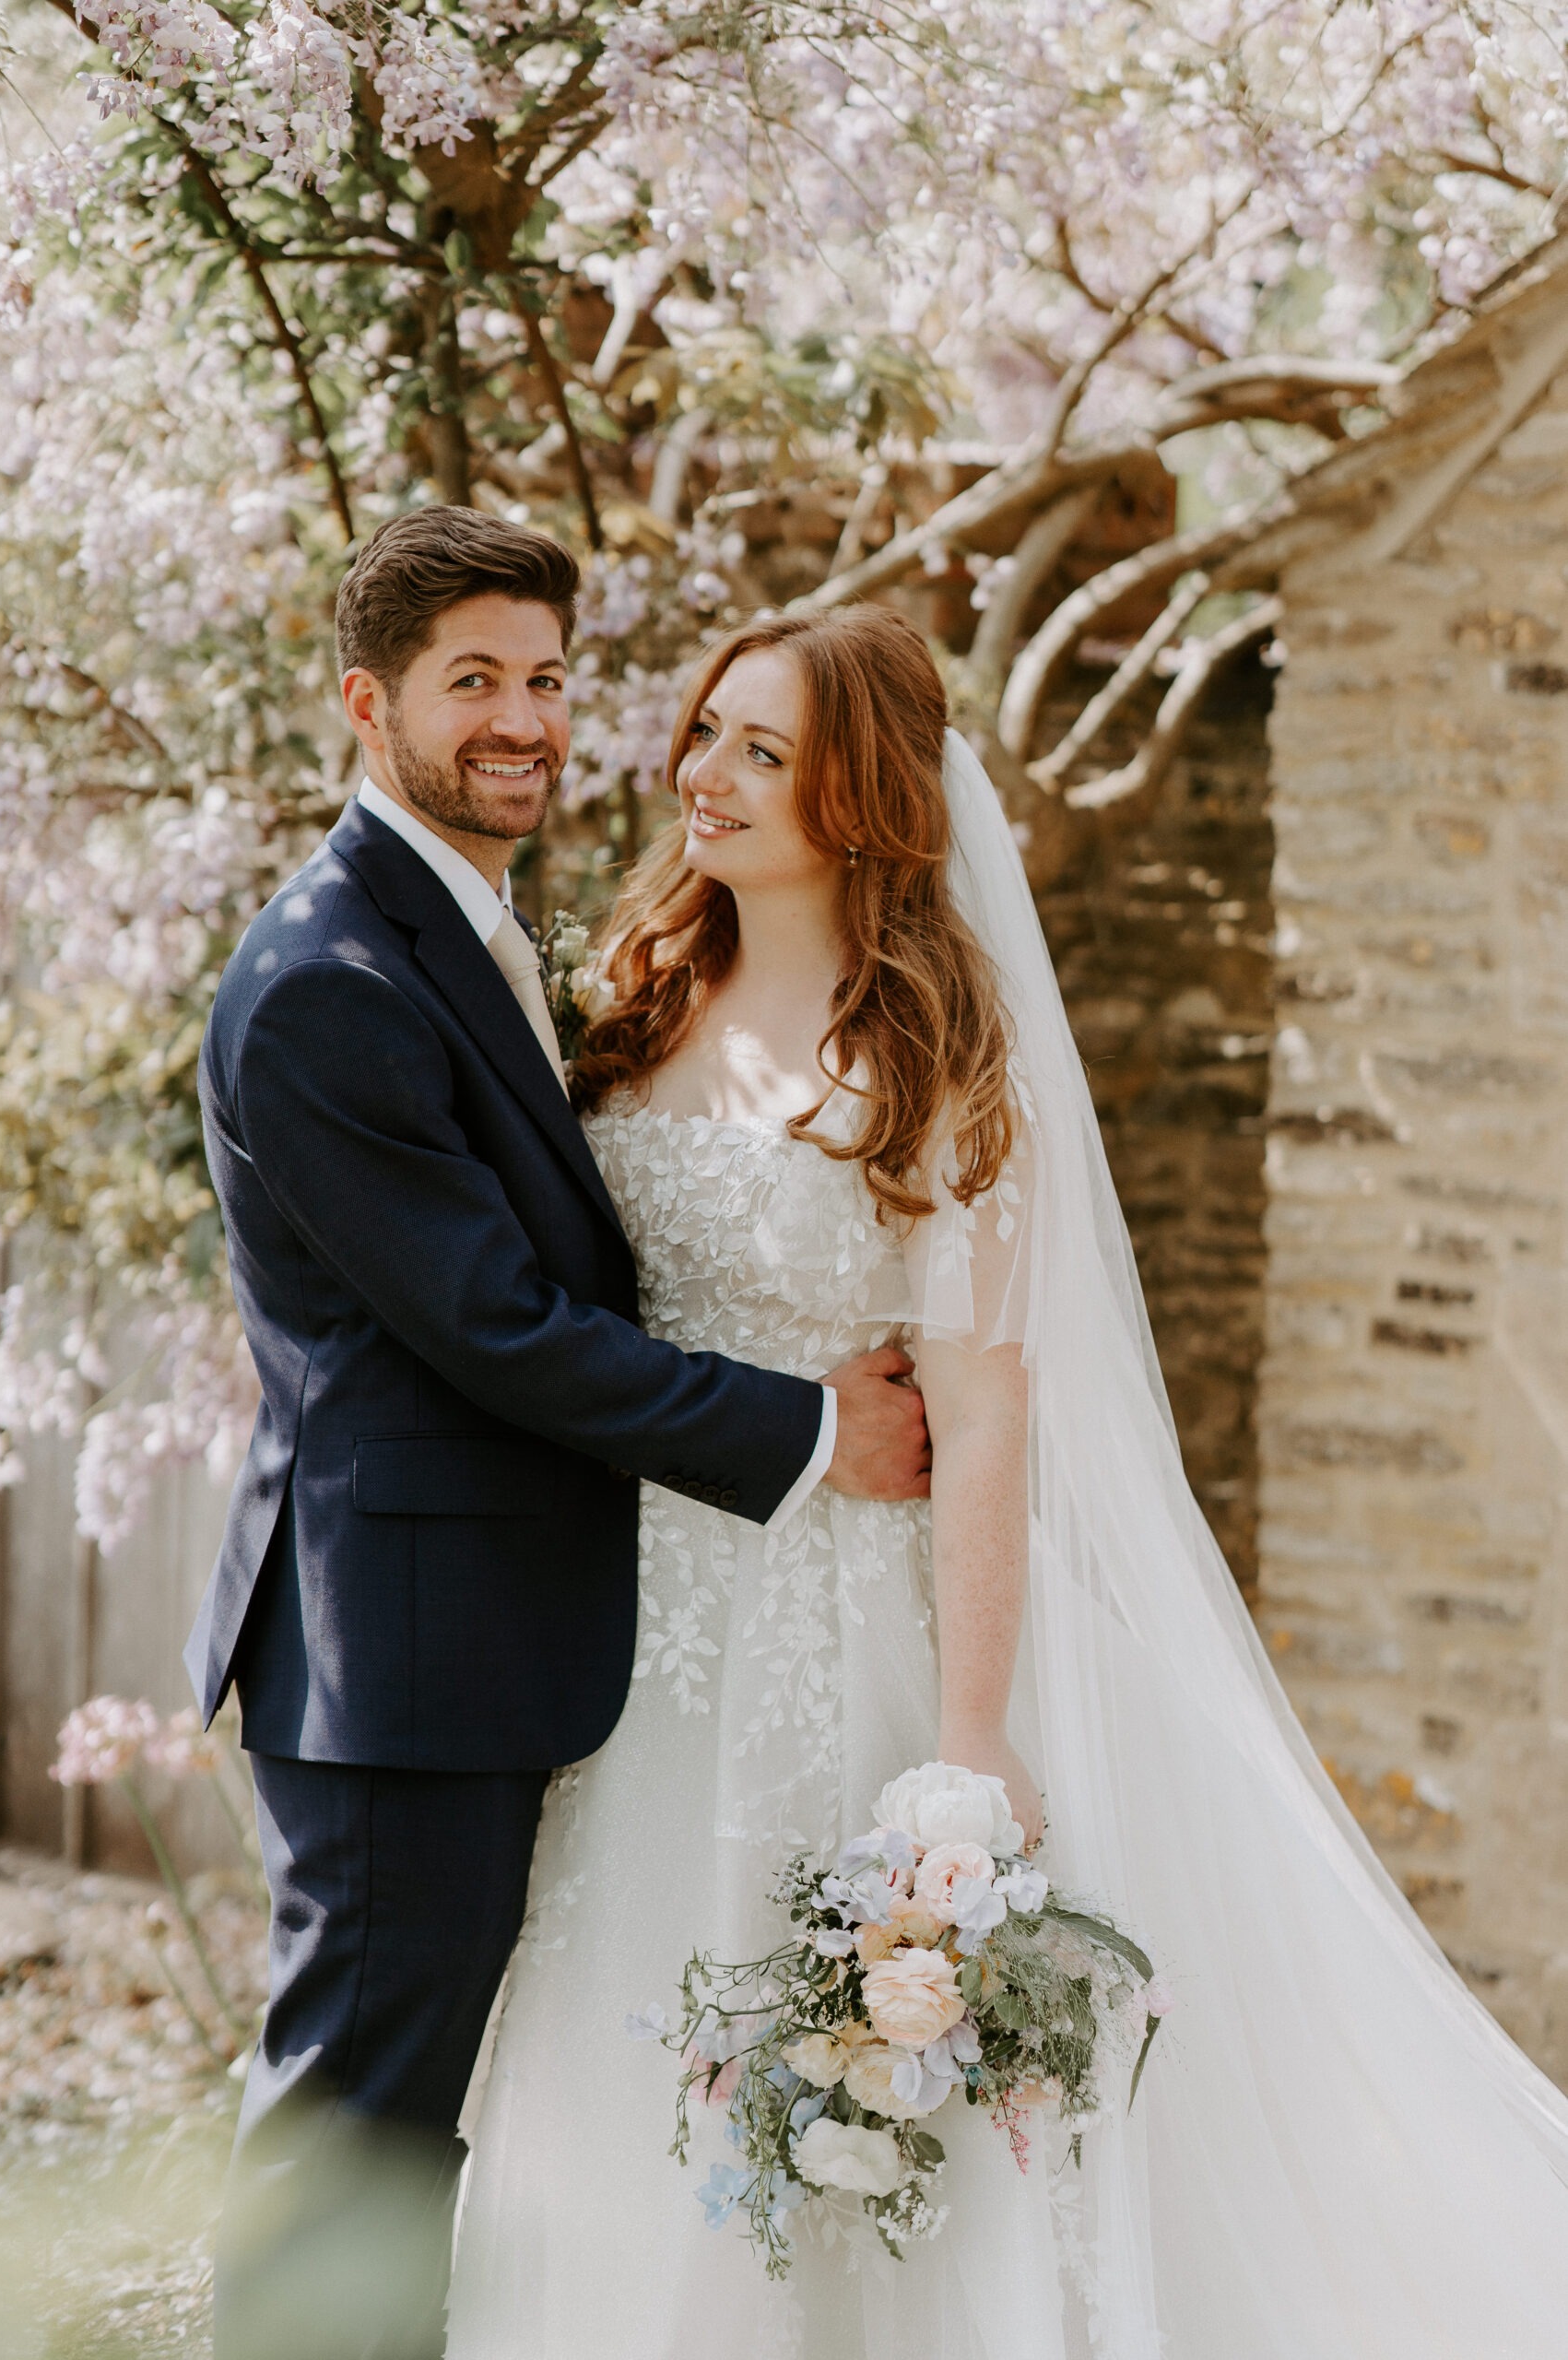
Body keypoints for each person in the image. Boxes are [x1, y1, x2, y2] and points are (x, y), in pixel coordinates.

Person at [446, 602, 1568, 2359]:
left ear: (863, 799)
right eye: (706, 733)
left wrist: (966, 1741)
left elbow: (984, 1418)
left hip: (836, 1626)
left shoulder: (931, 1071)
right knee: (617, 2044)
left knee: (833, 2089)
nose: (706, 777)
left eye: (766, 750)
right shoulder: (630, 997)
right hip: (632, 1621)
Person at [184, 509, 931, 2360]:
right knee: (352, 2134)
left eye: (545, 678)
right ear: (369, 703)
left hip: (490, 1642)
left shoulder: (468, 923)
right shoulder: (328, 984)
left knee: (433, 2125)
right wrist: (811, 1431)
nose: (522, 720)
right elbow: (503, 1329)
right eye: (472, 684)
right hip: (400, 1664)